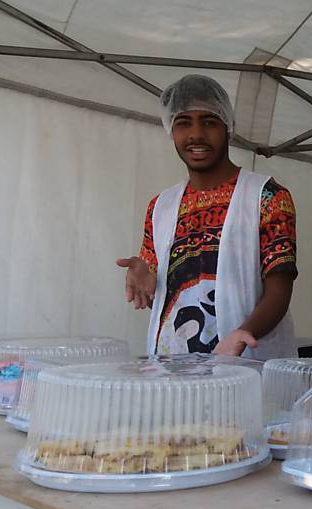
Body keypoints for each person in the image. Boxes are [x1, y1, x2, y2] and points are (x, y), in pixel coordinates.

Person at [117, 74, 297, 359]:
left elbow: (279, 290)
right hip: (173, 367)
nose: (196, 135)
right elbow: (167, 304)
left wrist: (243, 333)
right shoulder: (159, 207)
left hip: (245, 363)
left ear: (228, 127)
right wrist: (146, 285)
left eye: (209, 122)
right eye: (183, 123)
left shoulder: (268, 197)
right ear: (171, 130)